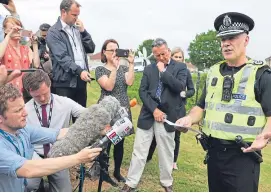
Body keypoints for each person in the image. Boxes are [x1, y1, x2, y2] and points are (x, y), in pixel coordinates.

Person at [176, 12, 271, 192]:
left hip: (243, 156)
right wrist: (189, 118)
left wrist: (266, 136)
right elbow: (201, 107)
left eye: (232, 37)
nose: (226, 43)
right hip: (214, 154)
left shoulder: (261, 74)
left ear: (246, 40)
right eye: (223, 39)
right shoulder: (213, 72)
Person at [0, 83, 102, 192]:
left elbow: (58, 133)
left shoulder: (22, 130)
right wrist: (78, 158)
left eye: (23, 108)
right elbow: (29, 170)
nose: (25, 113)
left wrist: (96, 128)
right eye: (17, 111)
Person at [121, 38, 187, 192]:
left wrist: (163, 71)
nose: (161, 58)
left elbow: (179, 87)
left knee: (166, 151)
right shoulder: (149, 69)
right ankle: (131, 182)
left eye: (163, 54)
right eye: (157, 55)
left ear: (168, 51)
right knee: (139, 151)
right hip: (149, 114)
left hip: (168, 116)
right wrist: (154, 110)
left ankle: (166, 181)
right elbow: (142, 91)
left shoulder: (181, 67)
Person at [22, 70, 86, 192]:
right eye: (36, 96)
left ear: (50, 84)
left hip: (58, 155)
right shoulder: (24, 110)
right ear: (29, 92)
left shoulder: (65, 102)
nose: (41, 98)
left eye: (45, 93)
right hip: (34, 156)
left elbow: (87, 114)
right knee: (28, 186)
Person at [147, 47, 195, 170]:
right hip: (164, 107)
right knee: (156, 134)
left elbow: (191, 90)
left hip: (178, 108)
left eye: (180, 57)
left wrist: (185, 94)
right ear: (171, 57)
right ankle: (148, 156)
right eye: (176, 57)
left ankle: (173, 161)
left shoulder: (186, 71)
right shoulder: (165, 70)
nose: (178, 59)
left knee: (176, 136)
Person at [95, 39, 135, 185]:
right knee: (106, 141)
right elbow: (109, 86)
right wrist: (114, 68)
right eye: (110, 50)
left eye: (116, 50)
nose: (114, 53)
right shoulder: (100, 69)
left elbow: (130, 82)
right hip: (107, 109)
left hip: (122, 108)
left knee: (120, 142)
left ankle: (117, 172)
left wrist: (130, 64)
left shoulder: (123, 68)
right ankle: (103, 172)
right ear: (104, 53)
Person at [46, 0, 95, 111]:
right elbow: (62, 57)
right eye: (74, 15)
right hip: (65, 83)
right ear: (64, 12)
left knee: (81, 118)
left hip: (81, 81)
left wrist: (84, 32)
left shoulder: (77, 29)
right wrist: (79, 71)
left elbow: (91, 48)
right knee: (64, 118)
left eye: (78, 15)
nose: (76, 18)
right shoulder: (54, 32)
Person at [0, 16, 40, 102]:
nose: (16, 31)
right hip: (7, 90)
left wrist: (35, 44)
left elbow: (36, 64)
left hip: (25, 90)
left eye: (18, 28)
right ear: (5, 30)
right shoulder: (3, 47)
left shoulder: (25, 48)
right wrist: (9, 34)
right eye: (11, 28)